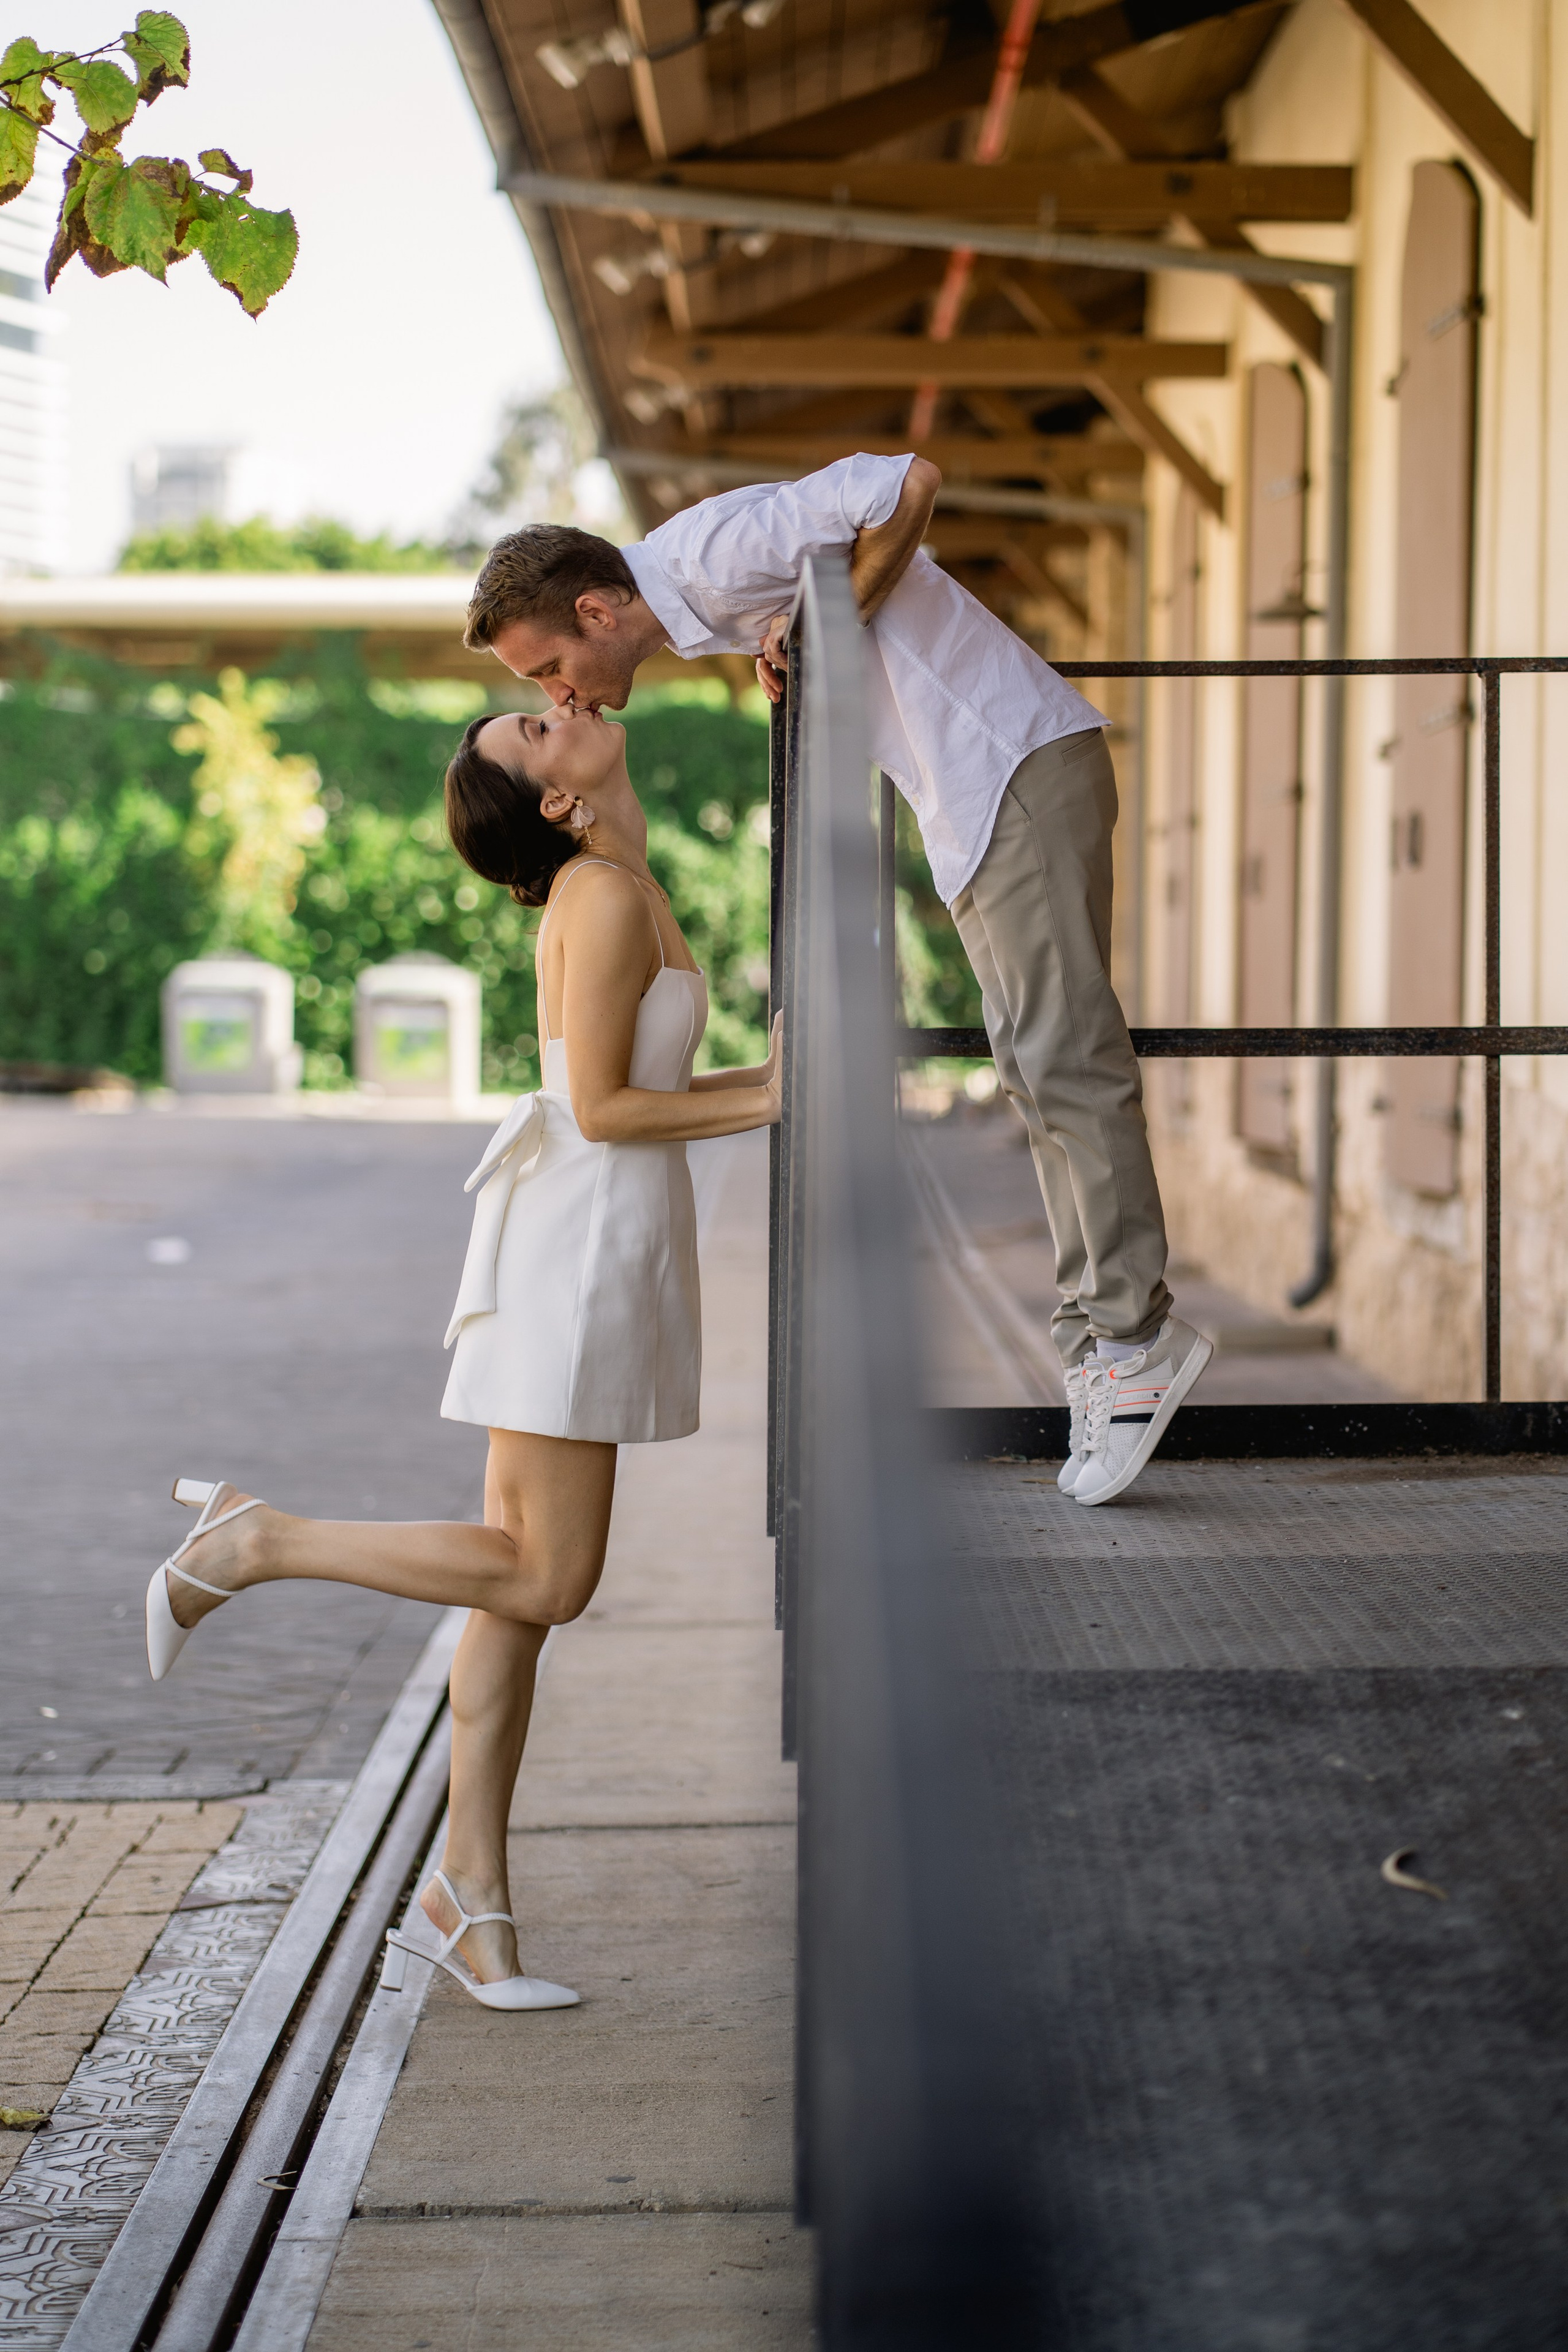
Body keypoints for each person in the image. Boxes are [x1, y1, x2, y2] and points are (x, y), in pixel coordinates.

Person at [143, 701, 782, 2003]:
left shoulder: (624, 882)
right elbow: (602, 1107)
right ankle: (257, 1543)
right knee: (546, 1577)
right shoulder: (605, 895)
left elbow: (639, 1094)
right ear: (553, 801)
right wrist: (780, 1090)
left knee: (513, 1592)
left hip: (592, 1240)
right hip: (576, 1247)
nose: (566, 708)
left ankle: (466, 1900)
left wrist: (779, 1083)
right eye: (536, 729)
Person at [459, 455, 1209, 1506]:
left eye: (549, 671)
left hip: (1007, 764)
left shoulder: (705, 558)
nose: (561, 693)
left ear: (595, 610)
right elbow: (838, 571)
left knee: (1064, 1058)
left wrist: (825, 628)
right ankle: (1099, 1339)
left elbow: (908, 481)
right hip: (969, 797)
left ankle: (1133, 1337)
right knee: (1033, 1070)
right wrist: (801, 635)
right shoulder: (698, 603)